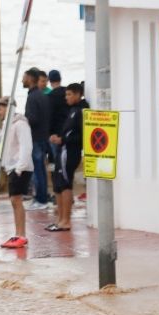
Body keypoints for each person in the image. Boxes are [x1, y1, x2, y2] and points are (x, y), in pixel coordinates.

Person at [0, 97, 34, 249]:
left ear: (8, 108)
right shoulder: (6, 125)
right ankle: (18, 234)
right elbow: (0, 144)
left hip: (20, 168)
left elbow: (26, 146)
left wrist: (19, 168)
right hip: (11, 167)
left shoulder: (20, 124)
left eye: (0, 109)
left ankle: (21, 235)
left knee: (16, 200)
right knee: (14, 201)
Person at [49, 83, 89, 232]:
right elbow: (68, 131)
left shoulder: (82, 110)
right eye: (66, 94)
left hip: (70, 152)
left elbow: (82, 136)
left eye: (70, 94)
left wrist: (63, 140)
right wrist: (58, 137)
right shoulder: (72, 110)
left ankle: (66, 221)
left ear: (78, 94)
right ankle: (60, 219)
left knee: (65, 184)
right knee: (58, 185)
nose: (66, 97)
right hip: (63, 150)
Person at [23, 68, 52, 211]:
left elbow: (33, 119)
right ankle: (42, 197)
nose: (22, 80)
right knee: (40, 169)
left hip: (36, 138)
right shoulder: (42, 95)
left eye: (24, 78)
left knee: (37, 170)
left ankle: (40, 200)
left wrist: (23, 120)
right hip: (43, 137)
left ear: (30, 79)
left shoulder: (33, 97)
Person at [46, 69, 68, 182]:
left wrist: (49, 133)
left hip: (55, 134)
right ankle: (65, 179)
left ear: (49, 81)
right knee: (65, 159)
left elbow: (49, 117)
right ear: (60, 79)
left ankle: (56, 180)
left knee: (54, 159)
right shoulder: (67, 92)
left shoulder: (50, 96)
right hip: (68, 132)